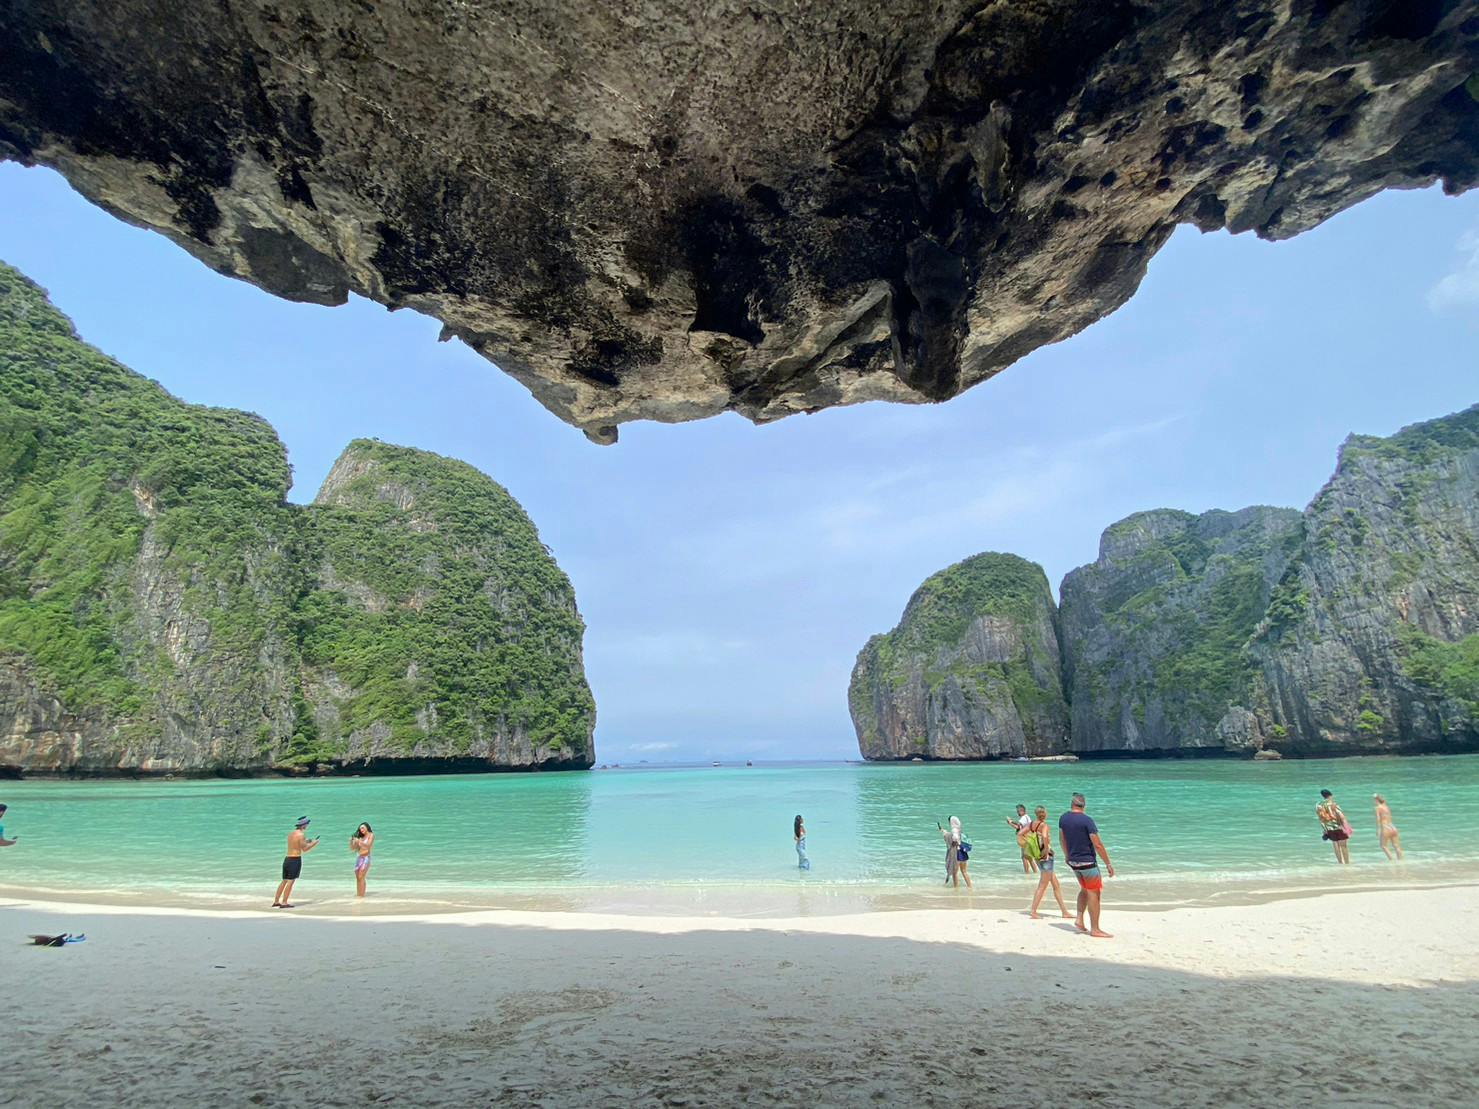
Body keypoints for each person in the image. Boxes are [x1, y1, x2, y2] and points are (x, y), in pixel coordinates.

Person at [1059, 794, 1114, 938]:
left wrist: (1067, 855)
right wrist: (1108, 863)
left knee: (1084, 889)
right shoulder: (1087, 820)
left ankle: (1079, 919)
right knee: (1094, 893)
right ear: (1084, 805)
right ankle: (1095, 929)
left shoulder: (1063, 818)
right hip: (1087, 862)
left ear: (1072, 804)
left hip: (1073, 861)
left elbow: (1062, 839)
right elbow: (1097, 844)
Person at [1028, 806, 1070, 920]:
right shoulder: (1044, 825)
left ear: (1036, 814)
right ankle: (1033, 911)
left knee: (1056, 884)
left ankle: (1064, 911)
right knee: (1043, 885)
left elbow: (1020, 834)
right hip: (1046, 857)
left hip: (1037, 856)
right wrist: (1046, 851)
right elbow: (1045, 836)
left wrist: (1031, 849)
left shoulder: (1031, 824)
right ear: (1045, 814)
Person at [273, 816, 320, 908]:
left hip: (287, 859)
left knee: (284, 881)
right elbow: (305, 849)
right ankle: (284, 902)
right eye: (307, 824)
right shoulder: (301, 835)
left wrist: (308, 841)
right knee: (291, 881)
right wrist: (314, 843)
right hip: (295, 860)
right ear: (304, 825)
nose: (307, 825)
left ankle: (276, 901)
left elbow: (295, 843)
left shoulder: (291, 834)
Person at [1316, 789, 1351, 864]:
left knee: (1335, 845)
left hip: (1329, 828)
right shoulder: (1334, 804)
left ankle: (1340, 863)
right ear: (1331, 795)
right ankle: (1347, 863)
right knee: (1343, 846)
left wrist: (1325, 829)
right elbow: (1341, 816)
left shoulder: (1319, 806)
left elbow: (1321, 819)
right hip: (1338, 827)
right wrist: (1347, 827)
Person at [942, 815, 973, 889]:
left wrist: (944, 833)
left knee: (955, 873)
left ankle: (956, 889)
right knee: (964, 871)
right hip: (963, 853)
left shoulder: (954, 831)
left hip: (957, 854)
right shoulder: (960, 831)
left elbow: (952, 838)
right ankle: (970, 887)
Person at [1006, 804, 1037, 873]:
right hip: (1029, 838)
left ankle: (1027, 873)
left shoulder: (1023, 818)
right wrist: (1011, 823)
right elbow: (1019, 827)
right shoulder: (1027, 817)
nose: (1017, 813)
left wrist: (1010, 822)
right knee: (1029, 858)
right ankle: (1035, 872)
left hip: (1025, 839)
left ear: (1022, 811)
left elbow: (1018, 826)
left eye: (1018, 811)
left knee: (1024, 857)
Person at [1373, 794, 1402, 861]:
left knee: (1383, 846)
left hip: (1385, 827)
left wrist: (1378, 829)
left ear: (1377, 800)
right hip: (1392, 827)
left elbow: (1378, 819)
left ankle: (1392, 861)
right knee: (1396, 846)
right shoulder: (1386, 807)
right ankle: (1401, 861)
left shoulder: (1377, 808)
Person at [350, 822, 375, 896]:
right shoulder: (360, 837)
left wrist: (359, 842)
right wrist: (352, 842)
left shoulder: (371, 835)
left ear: (367, 827)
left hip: (366, 858)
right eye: (360, 828)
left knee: (361, 876)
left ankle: (362, 895)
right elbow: (353, 849)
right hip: (359, 858)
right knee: (358, 877)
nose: (361, 829)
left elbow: (368, 846)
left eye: (363, 827)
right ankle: (359, 895)